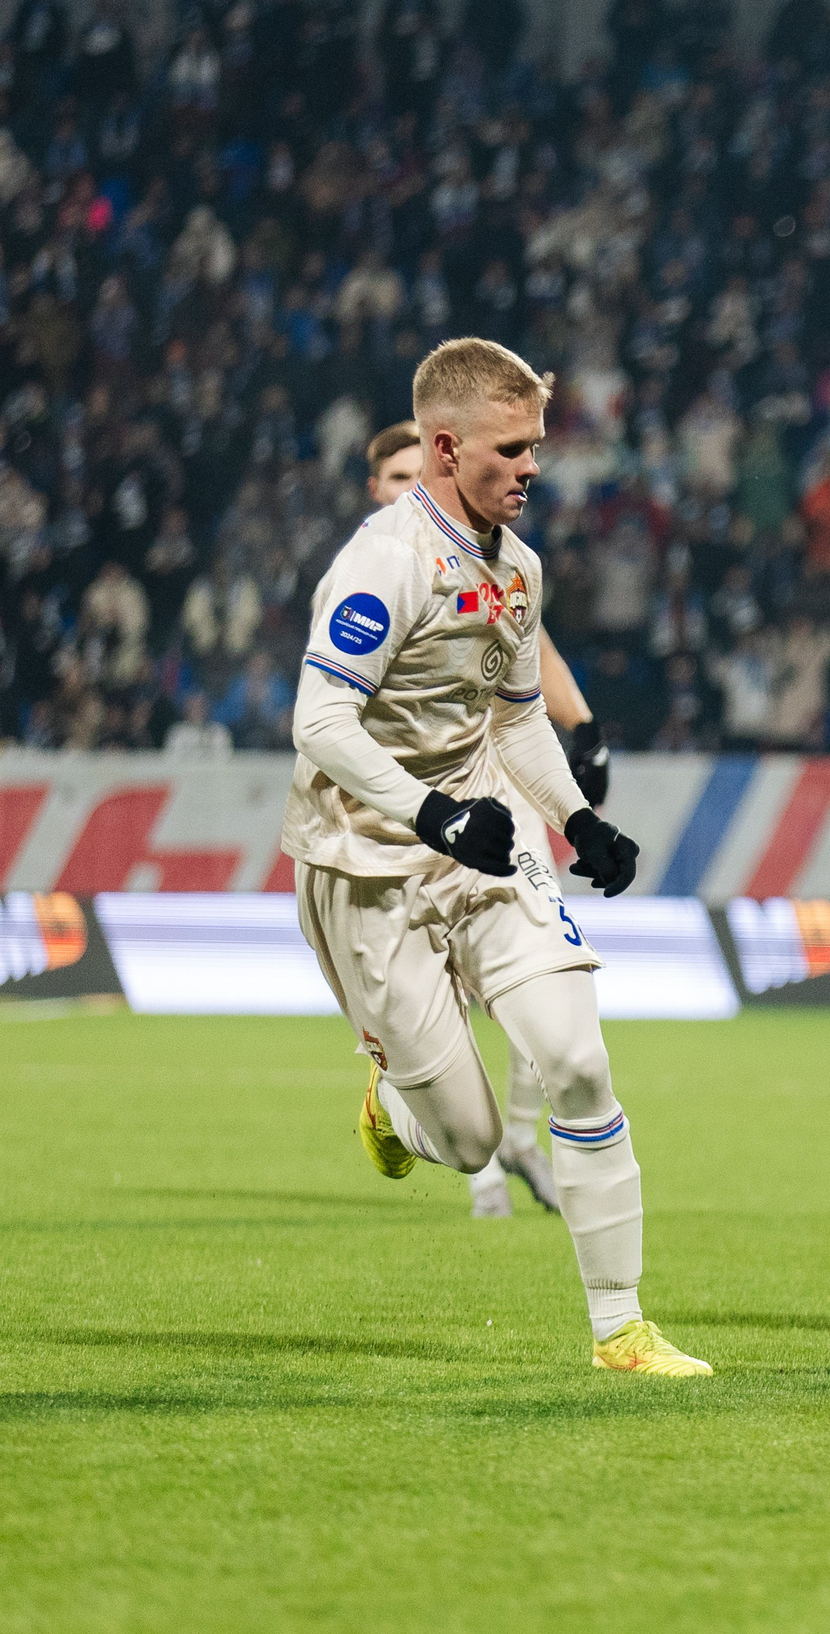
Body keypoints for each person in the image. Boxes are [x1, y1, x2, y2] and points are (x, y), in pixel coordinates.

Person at [287, 338, 706, 1375]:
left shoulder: (518, 568)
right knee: (470, 1143)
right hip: (365, 863)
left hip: (484, 842)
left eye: (536, 449)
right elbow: (319, 722)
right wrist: (430, 814)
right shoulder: (382, 564)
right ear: (442, 448)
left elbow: (515, 721)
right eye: (512, 450)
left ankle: (620, 1328)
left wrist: (575, 820)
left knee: (574, 1061)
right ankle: (391, 1093)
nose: (532, 468)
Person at [360, 421, 610, 1218]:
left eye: (414, 472)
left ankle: (520, 1139)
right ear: (378, 488)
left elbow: (530, 650)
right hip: (412, 804)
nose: (408, 487)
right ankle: (476, 1156)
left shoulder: (491, 558)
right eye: (394, 476)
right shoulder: (374, 570)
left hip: (496, 785)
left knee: (534, 967)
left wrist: (584, 728)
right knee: (445, 983)